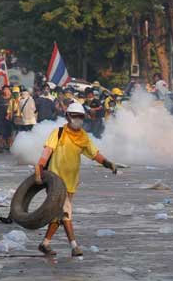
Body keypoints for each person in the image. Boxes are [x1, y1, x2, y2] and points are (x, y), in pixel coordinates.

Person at [34, 101, 118, 257]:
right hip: (55, 182)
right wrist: (39, 170)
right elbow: (46, 153)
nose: (78, 119)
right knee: (65, 212)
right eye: (75, 116)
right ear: (67, 117)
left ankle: (45, 243)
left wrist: (108, 163)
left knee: (58, 214)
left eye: (80, 117)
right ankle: (74, 246)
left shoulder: (83, 137)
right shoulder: (58, 133)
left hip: (71, 183)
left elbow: (94, 154)